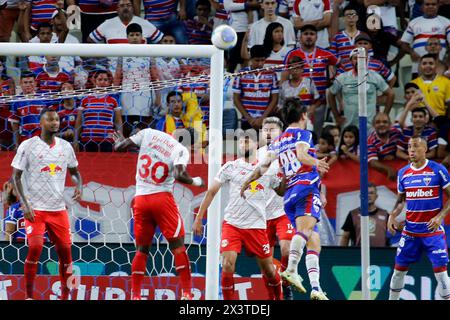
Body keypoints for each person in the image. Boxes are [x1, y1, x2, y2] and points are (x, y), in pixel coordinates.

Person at [240, 98, 329, 299]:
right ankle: (291, 270)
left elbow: (262, 167)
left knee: (313, 240)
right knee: (305, 231)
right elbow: (301, 154)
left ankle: (315, 288)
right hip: (305, 187)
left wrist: (247, 181)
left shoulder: (278, 142)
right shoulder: (303, 133)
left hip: (288, 194)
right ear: (304, 116)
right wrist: (317, 162)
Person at [112, 125, 205, 300]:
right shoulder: (180, 150)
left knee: (142, 249)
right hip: (162, 199)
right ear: (190, 144)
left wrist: (118, 143)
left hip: (140, 200)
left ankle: (136, 295)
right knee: (178, 246)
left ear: (177, 131)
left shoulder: (149, 133)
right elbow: (179, 175)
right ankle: (186, 294)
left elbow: (121, 147)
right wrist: (197, 181)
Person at [193, 133, 284, 300]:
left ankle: (278, 297)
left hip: (256, 226)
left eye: (247, 140)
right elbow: (212, 191)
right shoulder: (230, 166)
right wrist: (199, 217)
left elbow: (281, 191)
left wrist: (286, 175)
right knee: (227, 264)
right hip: (232, 224)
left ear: (257, 144)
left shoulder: (268, 170)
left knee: (269, 270)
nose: (243, 143)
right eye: (241, 140)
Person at [11, 107, 83, 300]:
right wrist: (24, 204)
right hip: (35, 209)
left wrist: (79, 186)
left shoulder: (65, 147)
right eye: (51, 120)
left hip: (58, 210)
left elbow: (75, 172)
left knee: (67, 254)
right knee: (35, 247)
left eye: (57, 120)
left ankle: (67, 296)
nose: (55, 123)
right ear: (41, 123)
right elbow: (15, 176)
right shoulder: (28, 145)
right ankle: (28, 296)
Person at [387, 137, 450, 300]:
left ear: (425, 148)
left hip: (432, 232)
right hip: (411, 232)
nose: (411, 150)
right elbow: (401, 201)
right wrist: (392, 215)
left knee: (441, 275)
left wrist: (440, 216)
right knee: (397, 272)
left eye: (415, 146)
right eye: (409, 147)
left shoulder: (438, 170)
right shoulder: (403, 173)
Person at [258, 117, 295, 300]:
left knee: (287, 249)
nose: (268, 133)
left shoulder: (289, 153)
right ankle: (274, 294)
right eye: (265, 129)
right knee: (265, 263)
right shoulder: (256, 156)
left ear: (281, 132)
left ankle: (286, 285)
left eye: (272, 129)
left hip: (283, 212)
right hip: (262, 215)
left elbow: (303, 174)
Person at [283, 24, 338, 135]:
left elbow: (340, 65)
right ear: (300, 37)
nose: (309, 36)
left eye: (312, 34)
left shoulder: (325, 54)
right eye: (306, 34)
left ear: (316, 37)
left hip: (319, 103)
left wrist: (333, 78)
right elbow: (284, 77)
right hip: (297, 104)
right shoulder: (292, 54)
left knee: (315, 135)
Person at [328, 48, 394, 130]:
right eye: (356, 58)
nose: (359, 61)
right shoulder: (343, 78)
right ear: (351, 61)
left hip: (370, 127)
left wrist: (385, 115)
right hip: (349, 127)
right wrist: (336, 116)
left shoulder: (374, 76)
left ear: (366, 60)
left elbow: (391, 94)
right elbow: (330, 93)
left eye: (362, 58)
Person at [114, 23, 159, 138]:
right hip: (127, 94)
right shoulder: (122, 53)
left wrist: (158, 96)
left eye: (137, 35)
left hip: (145, 94)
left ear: (142, 37)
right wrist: (114, 94)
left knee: (144, 122)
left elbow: (154, 76)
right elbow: (118, 75)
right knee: (127, 121)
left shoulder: (149, 52)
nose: (134, 37)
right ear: (127, 37)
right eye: (132, 35)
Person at [74, 70, 123, 152]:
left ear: (109, 82)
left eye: (105, 80)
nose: (102, 82)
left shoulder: (113, 100)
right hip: (87, 139)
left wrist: (119, 139)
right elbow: (78, 122)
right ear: (94, 81)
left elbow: (118, 122)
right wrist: (75, 140)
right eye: (100, 79)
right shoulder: (85, 99)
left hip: (107, 140)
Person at [399, 0, 450, 78]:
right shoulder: (413, 22)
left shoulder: (446, 22)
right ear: (422, 7)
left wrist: (447, 60)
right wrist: (411, 52)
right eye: (427, 4)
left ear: (438, 6)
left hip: (439, 68)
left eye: (433, 4)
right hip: (418, 67)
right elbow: (404, 44)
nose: (430, 6)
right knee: (418, 89)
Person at [233, 45, 279, 130]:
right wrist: (249, 118)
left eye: (262, 60)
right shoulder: (241, 74)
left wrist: (263, 118)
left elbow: (275, 99)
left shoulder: (272, 74)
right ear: (251, 59)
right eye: (257, 60)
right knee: (248, 143)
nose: (260, 63)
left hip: (266, 120)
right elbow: (236, 99)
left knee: (265, 143)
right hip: (247, 120)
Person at [8, 71, 55, 150]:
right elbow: (15, 126)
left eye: (31, 82)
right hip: (26, 139)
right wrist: (16, 144)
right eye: (25, 82)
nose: (28, 85)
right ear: (21, 84)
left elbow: (52, 121)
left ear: (35, 83)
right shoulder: (16, 102)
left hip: (43, 139)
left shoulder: (44, 98)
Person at [279, 56, 319, 131]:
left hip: (306, 120)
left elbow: (317, 100)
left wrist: (312, 109)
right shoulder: (284, 86)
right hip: (290, 122)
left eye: (297, 68)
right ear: (289, 70)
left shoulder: (309, 82)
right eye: (292, 68)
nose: (295, 71)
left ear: (302, 69)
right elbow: (281, 105)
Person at [411, 54, 450, 119]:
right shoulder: (413, 83)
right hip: (419, 120)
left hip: (440, 120)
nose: (427, 66)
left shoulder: (446, 82)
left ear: (436, 66)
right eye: (424, 63)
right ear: (420, 66)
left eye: (431, 63)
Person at [367, 112, 401, 180]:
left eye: (385, 122)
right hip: (383, 177)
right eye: (378, 122)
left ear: (390, 124)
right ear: (373, 125)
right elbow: (373, 162)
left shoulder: (397, 133)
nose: (381, 124)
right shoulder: (370, 140)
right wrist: (388, 169)